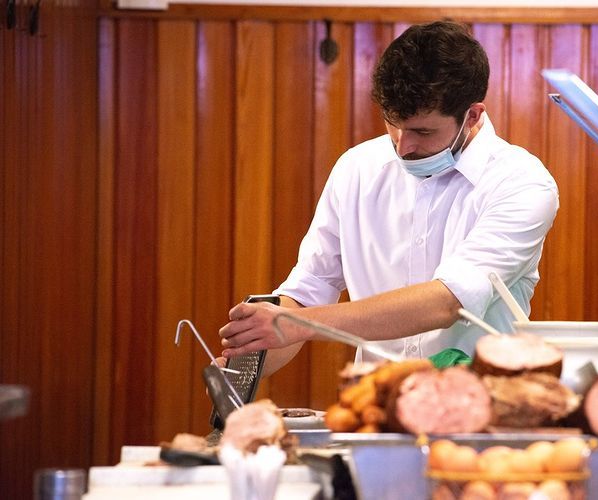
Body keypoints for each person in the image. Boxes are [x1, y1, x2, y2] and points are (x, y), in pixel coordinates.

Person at [218, 20, 558, 375]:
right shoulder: (357, 168)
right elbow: (309, 290)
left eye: (422, 131)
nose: (403, 145)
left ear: (472, 116)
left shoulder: (523, 182)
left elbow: (448, 301)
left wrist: (296, 324)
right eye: (392, 123)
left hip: (483, 398)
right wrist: (244, 364)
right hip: (377, 397)